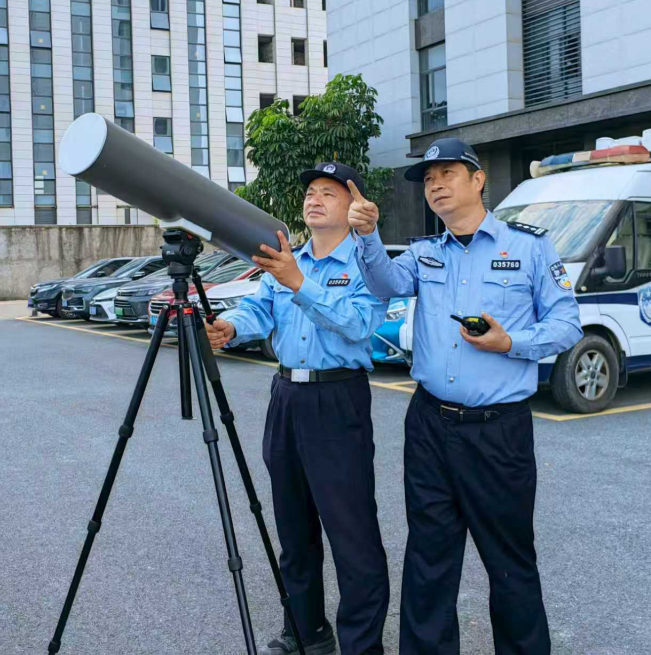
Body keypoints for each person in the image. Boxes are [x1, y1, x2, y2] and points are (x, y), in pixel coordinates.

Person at [346, 138, 583, 655]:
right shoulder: (425, 252)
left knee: (509, 561)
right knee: (428, 557)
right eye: (428, 179)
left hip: (498, 431)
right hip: (429, 425)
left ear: (478, 180)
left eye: (447, 174)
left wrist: (510, 342)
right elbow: (386, 285)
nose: (435, 185)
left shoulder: (528, 247)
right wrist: (367, 234)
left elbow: (567, 324)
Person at [205, 162, 390, 655]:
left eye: (329, 192)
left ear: (353, 205)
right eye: (310, 192)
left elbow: (356, 325)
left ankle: (362, 645)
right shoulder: (289, 258)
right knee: (293, 527)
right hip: (286, 397)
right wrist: (231, 325)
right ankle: (307, 632)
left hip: (338, 398)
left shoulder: (367, 264)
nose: (314, 199)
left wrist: (299, 283)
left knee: (351, 532)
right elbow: (260, 308)